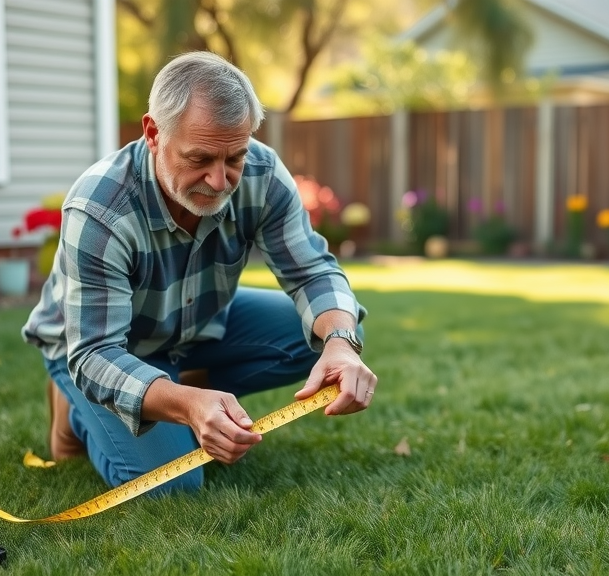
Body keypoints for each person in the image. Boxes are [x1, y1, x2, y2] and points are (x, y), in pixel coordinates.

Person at [21, 51, 376, 494]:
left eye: (234, 158)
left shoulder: (262, 173)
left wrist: (342, 344)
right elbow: (95, 353)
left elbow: (312, 272)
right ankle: (77, 409)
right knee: (175, 485)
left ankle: (179, 390)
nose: (220, 180)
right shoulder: (100, 209)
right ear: (153, 133)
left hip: (198, 325)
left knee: (322, 336)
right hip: (105, 347)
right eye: (200, 158)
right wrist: (187, 405)